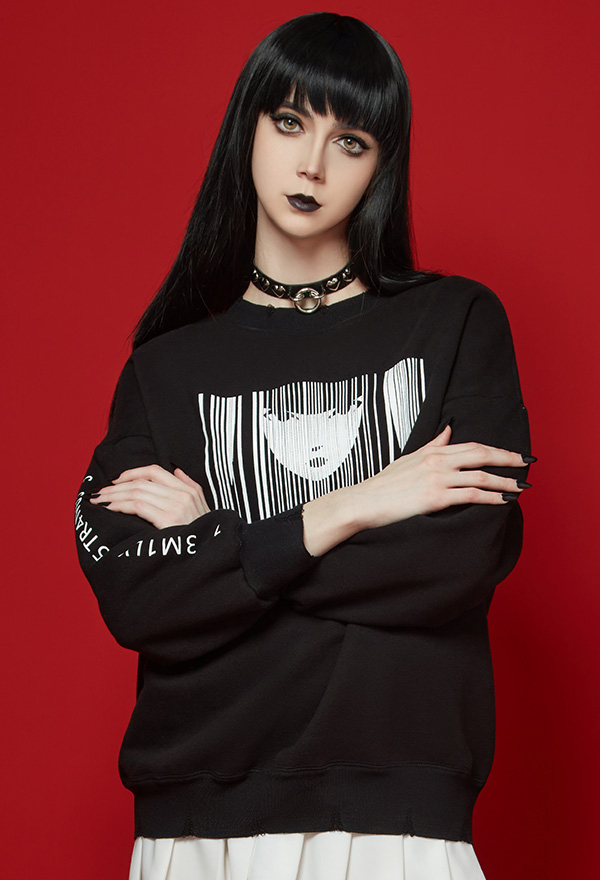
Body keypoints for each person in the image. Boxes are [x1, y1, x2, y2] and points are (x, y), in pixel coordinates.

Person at [74, 12, 534, 880]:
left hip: (399, 818)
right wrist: (360, 504)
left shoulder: (456, 322)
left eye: (350, 141)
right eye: (289, 122)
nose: (312, 165)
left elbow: (461, 556)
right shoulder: (164, 370)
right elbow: (141, 599)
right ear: (247, 127)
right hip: (196, 826)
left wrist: (222, 548)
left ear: (381, 164)